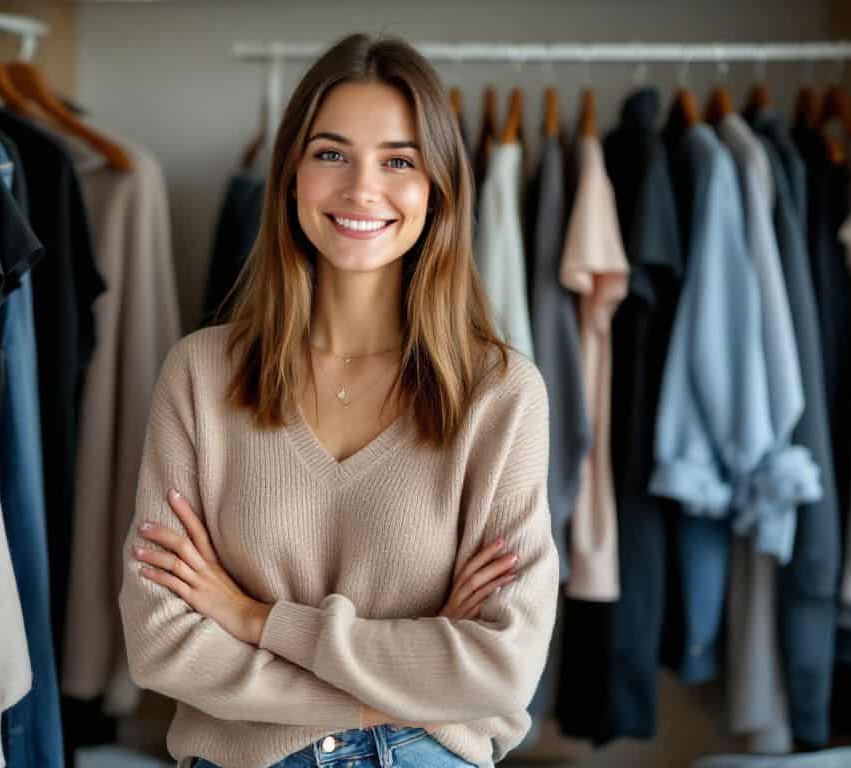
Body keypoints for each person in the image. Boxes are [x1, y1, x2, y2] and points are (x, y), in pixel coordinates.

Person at [118, 32, 559, 768]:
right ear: (291, 175)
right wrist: (401, 678)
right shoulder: (198, 376)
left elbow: (503, 665)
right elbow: (162, 644)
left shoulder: (501, 394)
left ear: (438, 188)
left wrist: (254, 619)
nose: (361, 188)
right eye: (331, 154)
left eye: (398, 161)